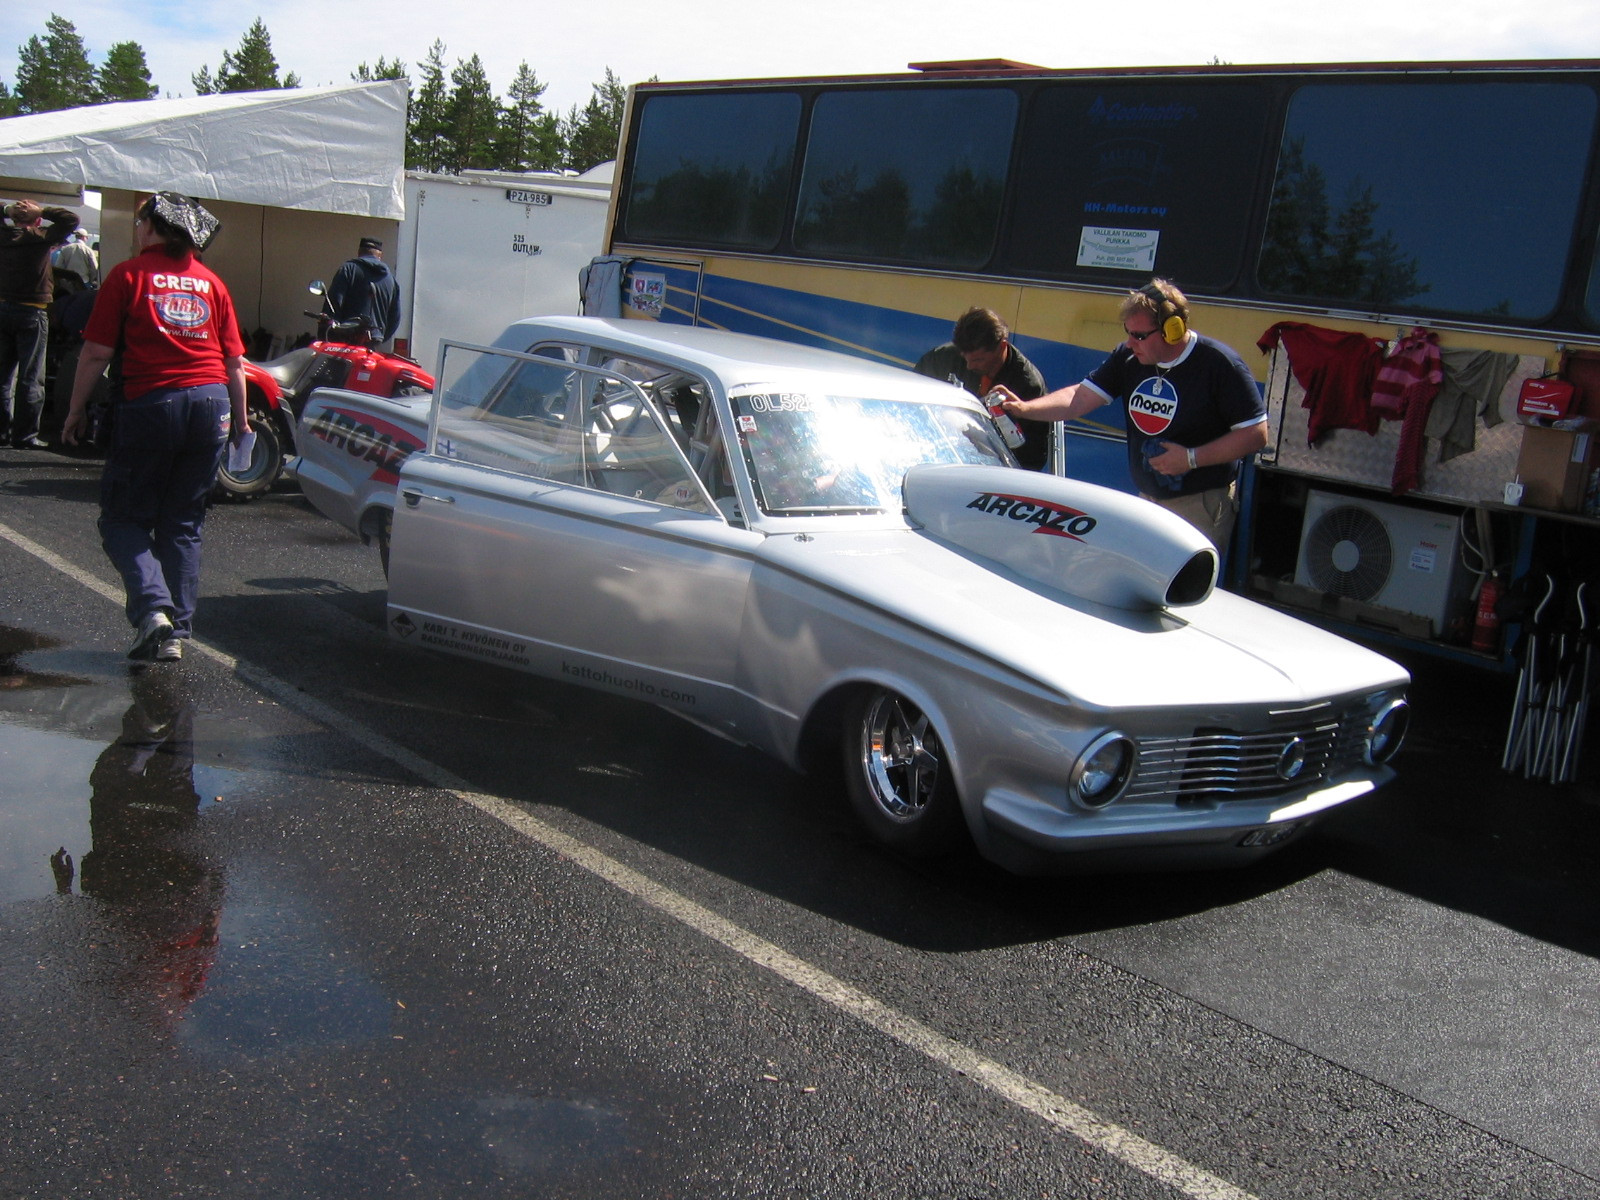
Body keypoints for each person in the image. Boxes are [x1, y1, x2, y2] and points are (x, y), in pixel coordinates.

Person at [60, 193, 248, 663]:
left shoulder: (127, 275)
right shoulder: (211, 282)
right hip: (213, 404)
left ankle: (154, 613)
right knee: (182, 522)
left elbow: (98, 352)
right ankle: (176, 633)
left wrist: (75, 409)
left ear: (149, 227)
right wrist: (242, 422)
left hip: (153, 402)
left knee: (122, 518)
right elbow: (235, 363)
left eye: (140, 220)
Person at [997, 278, 1267, 550]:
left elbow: (1255, 435)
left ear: (1172, 330)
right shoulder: (1129, 358)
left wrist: (1191, 459)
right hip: (1148, 500)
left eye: (1138, 335)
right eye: (1128, 332)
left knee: (1183, 590)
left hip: (1200, 504)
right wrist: (1024, 408)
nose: (1129, 343)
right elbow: (1078, 399)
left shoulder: (1219, 364)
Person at [914, 307, 1050, 469]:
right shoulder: (942, 359)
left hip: (994, 472)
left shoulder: (1028, 385)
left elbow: (1032, 460)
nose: (969, 366)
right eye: (965, 357)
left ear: (1002, 347)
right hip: (942, 456)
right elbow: (914, 404)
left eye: (978, 360)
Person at [0, 199, 80, 447]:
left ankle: (2, 432)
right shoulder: (40, 236)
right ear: (35, 219)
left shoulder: (3, 235)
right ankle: (25, 435)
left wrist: (7, 210)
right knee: (31, 376)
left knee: (3, 377)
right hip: (32, 311)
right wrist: (44, 210)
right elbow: (70, 220)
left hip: (3, 308)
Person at [325, 236, 401, 346]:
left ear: (359, 252)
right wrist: (380, 335)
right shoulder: (391, 280)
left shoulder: (348, 269)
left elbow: (334, 302)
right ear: (380, 256)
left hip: (346, 339)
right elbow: (395, 317)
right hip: (373, 340)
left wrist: (332, 329)